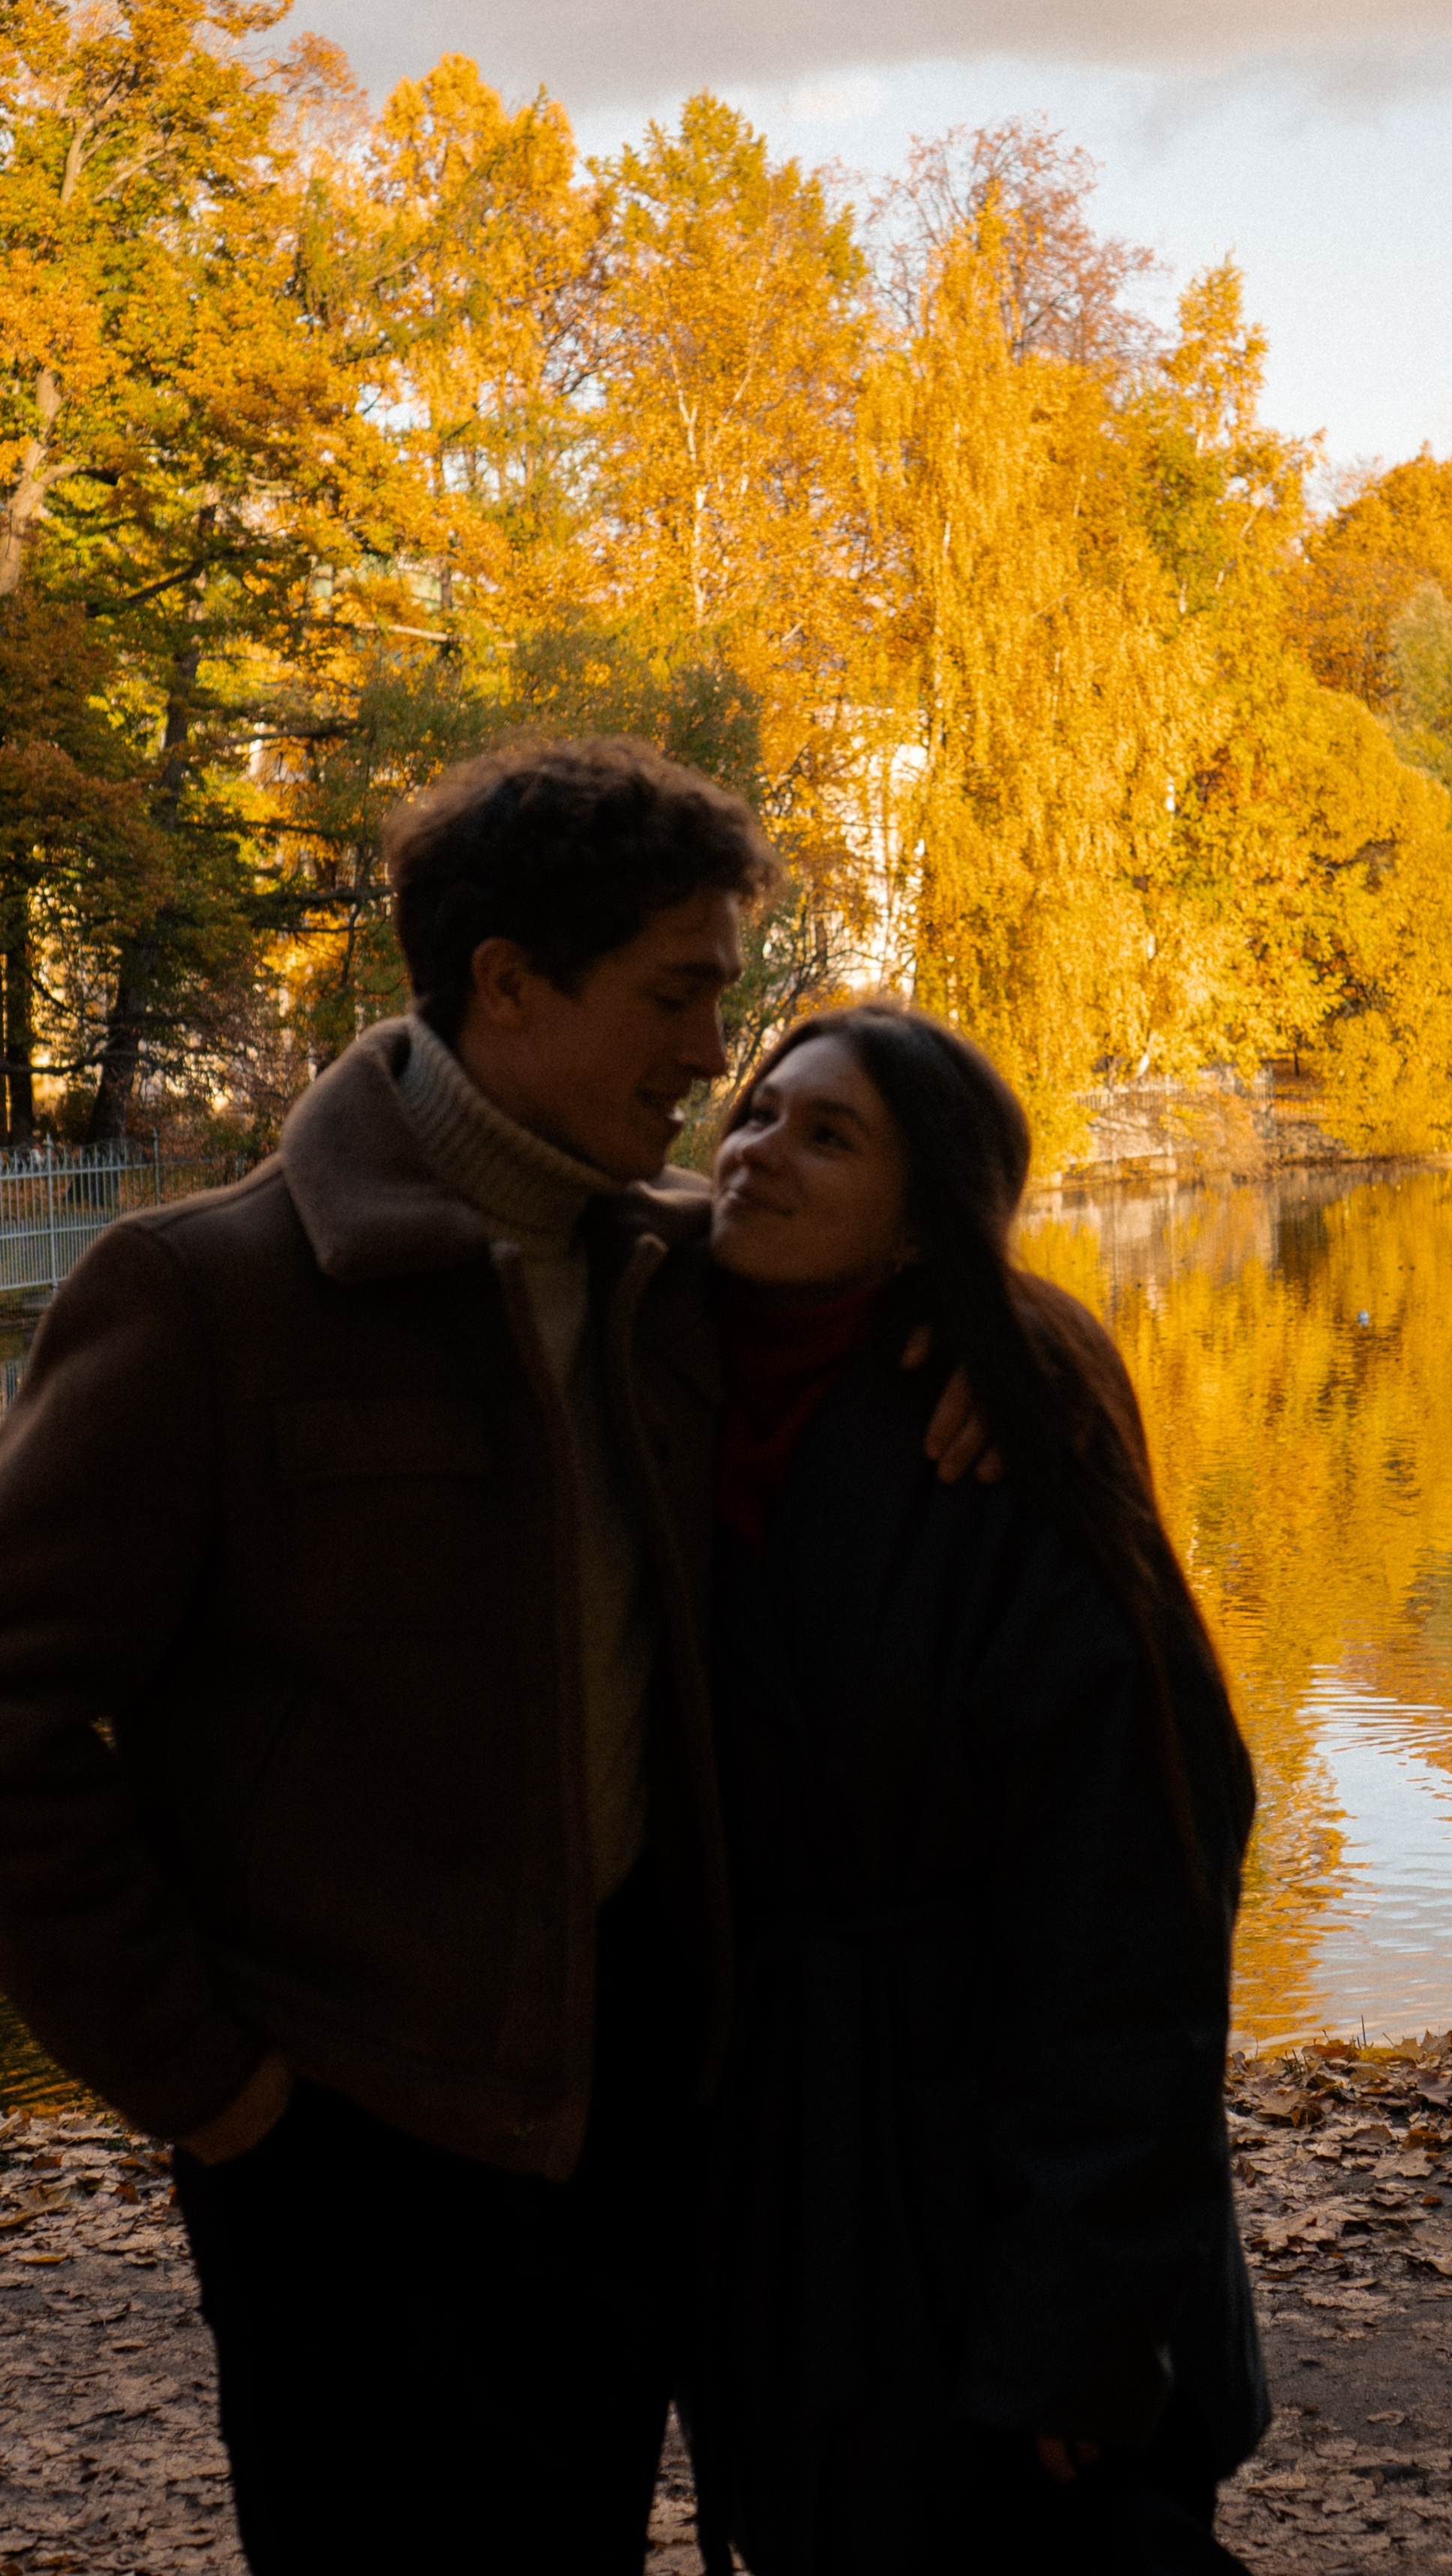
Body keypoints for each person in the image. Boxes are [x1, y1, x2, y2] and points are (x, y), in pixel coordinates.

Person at [0, 740, 980, 2574]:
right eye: (675, 996)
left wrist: (1010, 1378)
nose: (713, 1057)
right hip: (340, 2155)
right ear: (508, 983)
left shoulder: (683, 1271)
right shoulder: (204, 1299)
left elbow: (961, 1289)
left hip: (641, 2132)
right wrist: (212, 2088)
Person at [701, 1000, 1268, 2576]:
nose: (760, 1154)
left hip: (986, 2187)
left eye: (829, 1136)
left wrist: (1079, 2314)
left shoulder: (1003, 1438)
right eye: (754, 1113)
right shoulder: (670, 1382)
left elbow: (1132, 1907)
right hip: (795, 2193)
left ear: (923, 1211)